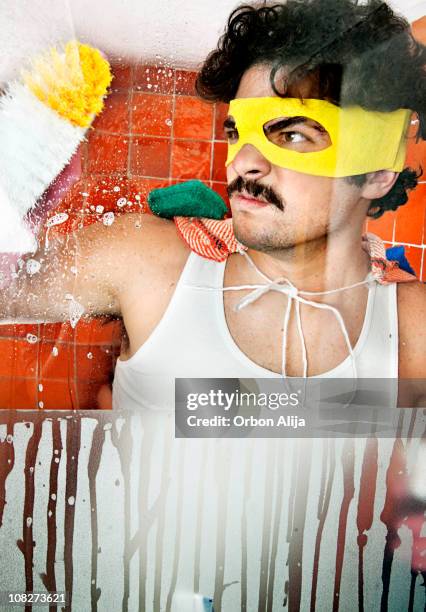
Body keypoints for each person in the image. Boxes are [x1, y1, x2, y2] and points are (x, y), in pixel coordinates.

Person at [2, 0, 425, 410]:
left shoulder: (415, 330)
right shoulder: (145, 263)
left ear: (375, 174)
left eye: (292, 135)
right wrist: (11, 189)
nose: (242, 162)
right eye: (237, 132)